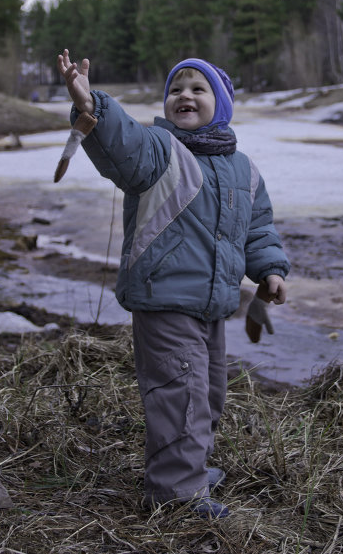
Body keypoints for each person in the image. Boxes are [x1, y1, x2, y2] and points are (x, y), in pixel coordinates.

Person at [57, 49, 290, 519]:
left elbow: (257, 227)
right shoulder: (160, 151)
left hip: (213, 304)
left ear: (221, 103)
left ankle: (190, 469)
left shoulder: (244, 169)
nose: (184, 94)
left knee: (208, 393)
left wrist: (269, 268)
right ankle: (176, 496)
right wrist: (93, 105)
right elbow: (123, 144)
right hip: (163, 300)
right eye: (176, 89)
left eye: (197, 88)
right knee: (180, 394)